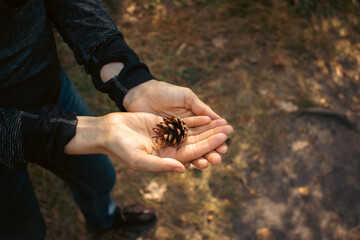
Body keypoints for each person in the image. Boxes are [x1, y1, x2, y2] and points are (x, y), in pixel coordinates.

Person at [0, 0, 233, 239]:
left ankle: (104, 220)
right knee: (23, 229)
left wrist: (130, 81)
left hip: (50, 92)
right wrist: (93, 132)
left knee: (100, 178)